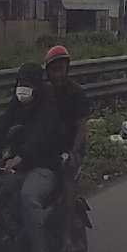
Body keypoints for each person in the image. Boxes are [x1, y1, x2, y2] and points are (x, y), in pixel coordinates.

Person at [0, 63, 61, 252]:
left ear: (37, 86)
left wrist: (21, 157)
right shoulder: (18, 102)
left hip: (45, 166)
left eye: (28, 84)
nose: (23, 88)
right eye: (21, 83)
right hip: (21, 165)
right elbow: (2, 127)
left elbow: (40, 135)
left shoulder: (48, 104)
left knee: (28, 196)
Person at [43, 45, 91, 239]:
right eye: (54, 70)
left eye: (61, 69)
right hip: (49, 146)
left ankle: (67, 233)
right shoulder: (44, 92)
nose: (58, 74)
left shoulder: (76, 93)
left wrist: (73, 152)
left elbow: (81, 127)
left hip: (71, 146)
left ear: (67, 69)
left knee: (67, 179)